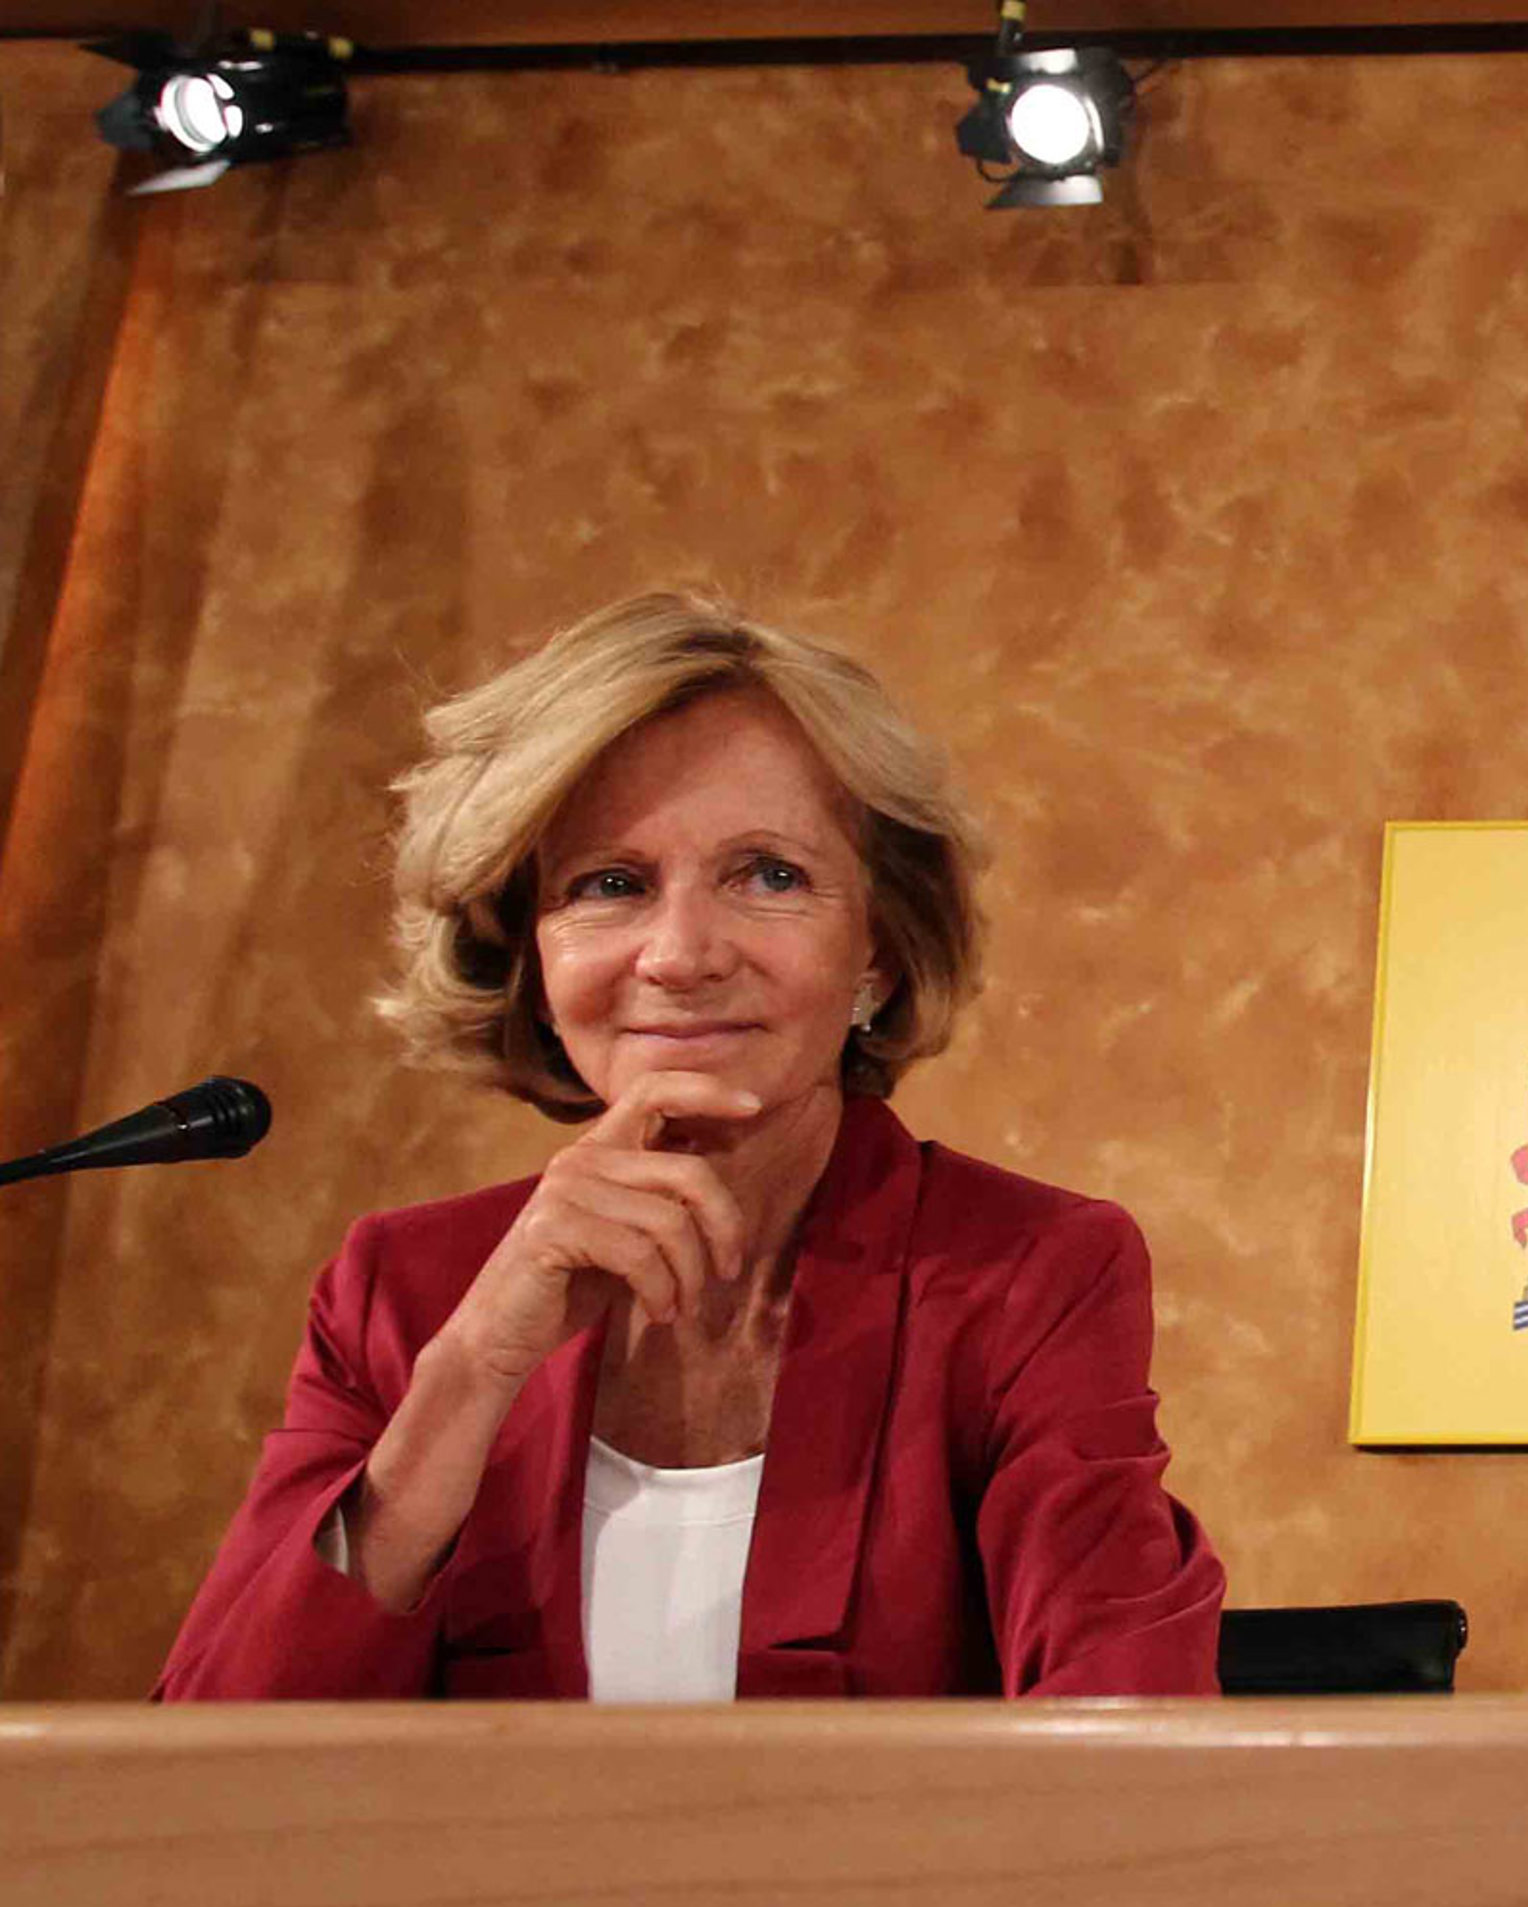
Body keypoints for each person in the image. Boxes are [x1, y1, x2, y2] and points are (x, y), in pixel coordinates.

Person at [156, 590, 1224, 1701]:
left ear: (881, 949)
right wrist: (472, 1374)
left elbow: (1129, 1736)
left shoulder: (1024, 1276)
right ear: (529, 956)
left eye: (769, 875)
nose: (680, 955)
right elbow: (205, 1774)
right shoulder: (402, 1293)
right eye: (610, 885)